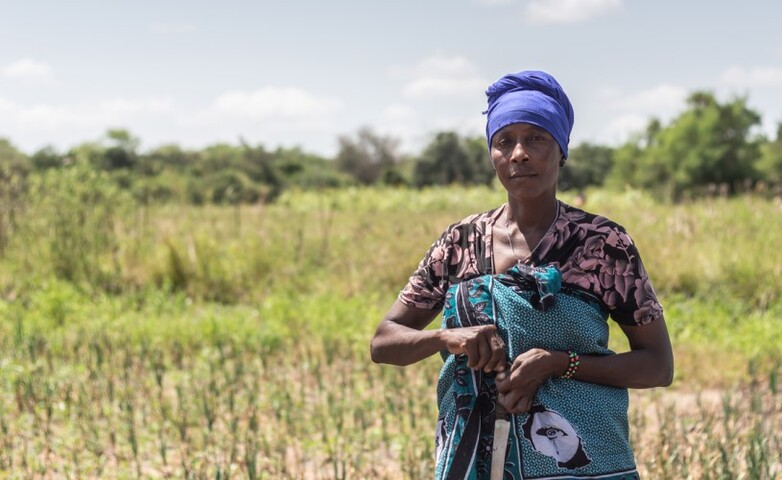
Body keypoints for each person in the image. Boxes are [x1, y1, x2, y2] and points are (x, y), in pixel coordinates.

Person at [370, 70, 673, 480]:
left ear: (561, 150)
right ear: (492, 154)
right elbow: (384, 341)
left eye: (536, 138)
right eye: (504, 141)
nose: (519, 154)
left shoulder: (602, 244)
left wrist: (558, 364)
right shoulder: (460, 242)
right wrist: (445, 337)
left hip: (585, 464)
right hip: (474, 459)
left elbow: (657, 365)